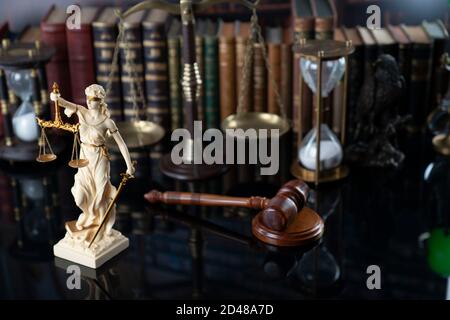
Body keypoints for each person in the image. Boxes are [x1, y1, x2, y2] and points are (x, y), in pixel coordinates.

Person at [50, 84, 135, 241]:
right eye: (88, 98)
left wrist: (129, 166)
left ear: (101, 101)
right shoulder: (82, 111)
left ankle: (102, 222)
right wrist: (55, 98)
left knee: (101, 192)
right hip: (84, 157)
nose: (89, 101)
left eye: (94, 99)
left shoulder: (108, 122)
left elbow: (122, 144)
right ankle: (88, 215)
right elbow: (64, 103)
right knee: (80, 197)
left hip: (99, 158)